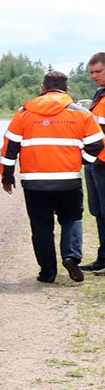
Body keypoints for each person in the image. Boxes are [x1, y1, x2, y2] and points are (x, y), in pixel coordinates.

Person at [0, 69, 104, 283]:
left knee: (41, 225)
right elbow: (97, 143)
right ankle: (71, 256)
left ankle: (47, 273)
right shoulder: (81, 113)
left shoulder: (23, 113)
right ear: (67, 89)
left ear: (43, 88)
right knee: (72, 218)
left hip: (34, 181)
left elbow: (10, 147)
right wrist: (82, 160)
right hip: (68, 179)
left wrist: (7, 176)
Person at [85, 52, 105, 271]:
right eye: (91, 72)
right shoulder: (99, 94)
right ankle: (102, 259)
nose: (93, 76)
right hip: (95, 163)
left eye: (98, 72)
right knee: (98, 212)